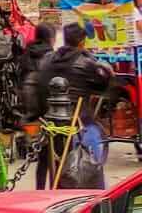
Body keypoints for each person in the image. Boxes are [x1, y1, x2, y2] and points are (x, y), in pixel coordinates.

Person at [32, 22, 116, 189]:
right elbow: (103, 87)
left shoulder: (47, 59)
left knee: (56, 169)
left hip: (50, 123)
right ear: (82, 41)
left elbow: (39, 85)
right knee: (91, 168)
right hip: (79, 123)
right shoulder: (86, 62)